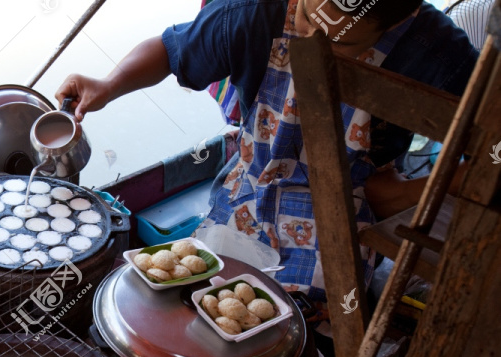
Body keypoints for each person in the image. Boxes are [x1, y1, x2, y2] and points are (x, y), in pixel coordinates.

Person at [56, 0, 477, 304]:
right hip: (249, 185)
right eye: (313, 16)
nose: (318, 36)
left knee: (302, 318)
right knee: (204, 299)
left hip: (347, 211)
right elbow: (172, 50)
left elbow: (491, 148)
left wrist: (411, 193)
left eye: (344, 38)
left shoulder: (439, 54)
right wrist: (108, 85)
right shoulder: (257, 11)